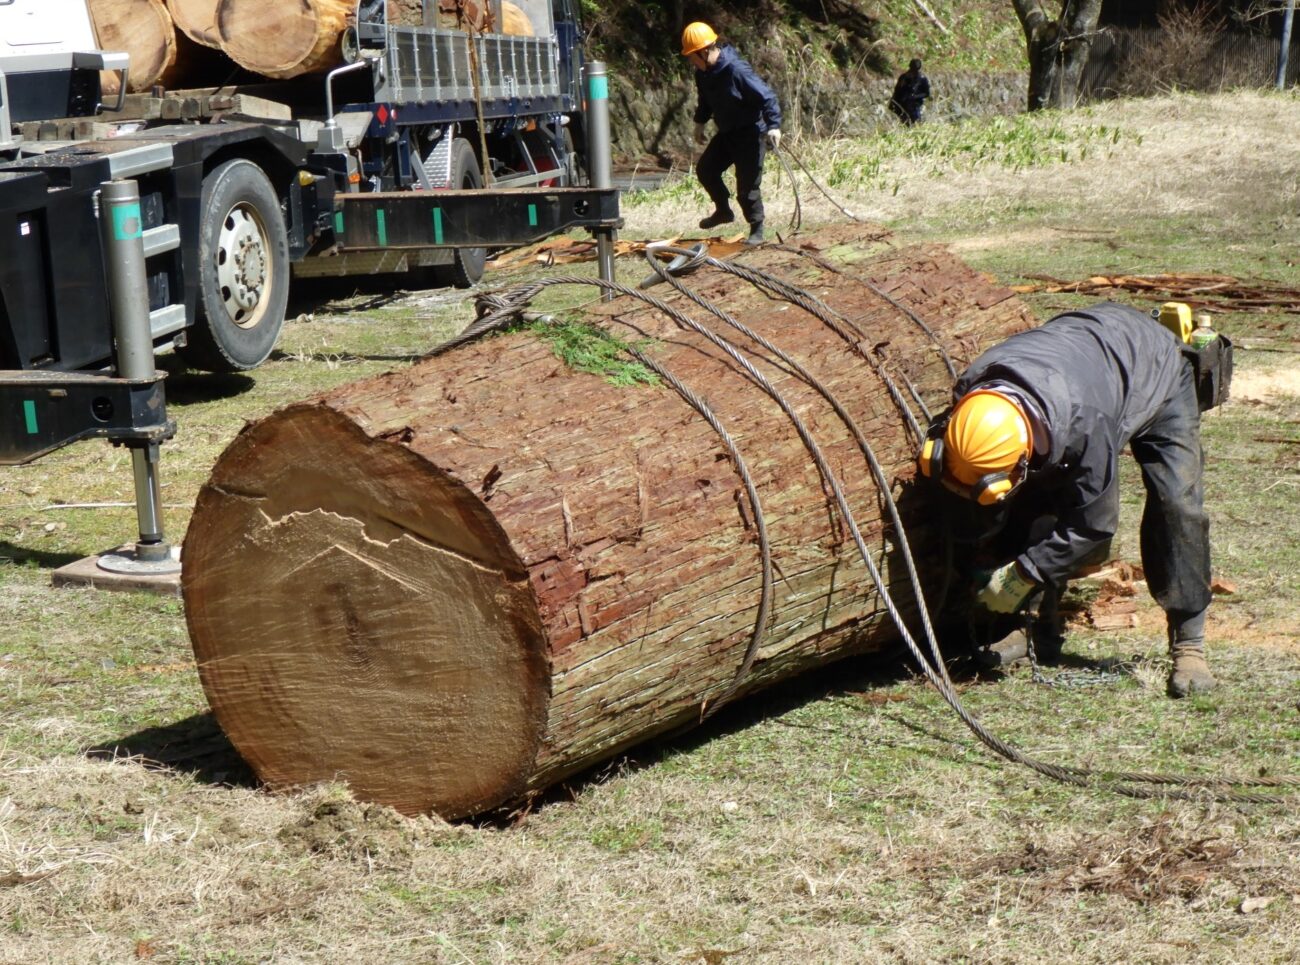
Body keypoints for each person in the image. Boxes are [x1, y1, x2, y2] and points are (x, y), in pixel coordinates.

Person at [917, 302, 1216, 699]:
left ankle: (1188, 642)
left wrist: (1022, 573)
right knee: (1037, 490)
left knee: (1177, 503)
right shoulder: (974, 394)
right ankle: (1036, 626)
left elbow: (1094, 527)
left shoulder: (1084, 425)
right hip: (1087, 357)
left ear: (1022, 453)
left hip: (1156, 370)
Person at [681, 21, 782, 247]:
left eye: (691, 56)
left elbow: (767, 96)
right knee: (706, 169)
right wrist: (699, 123)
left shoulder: (736, 70)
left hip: (750, 133)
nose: (690, 61)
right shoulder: (703, 73)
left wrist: (774, 125)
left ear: (704, 51)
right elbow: (706, 100)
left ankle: (757, 229)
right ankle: (723, 210)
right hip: (728, 132)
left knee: (747, 187)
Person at [889, 58, 931, 125]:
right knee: (904, 123)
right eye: (912, 69)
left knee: (915, 123)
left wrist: (914, 97)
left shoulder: (922, 79)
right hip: (903, 105)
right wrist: (893, 101)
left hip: (915, 106)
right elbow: (897, 90)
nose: (913, 72)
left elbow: (927, 93)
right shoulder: (903, 77)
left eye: (915, 70)